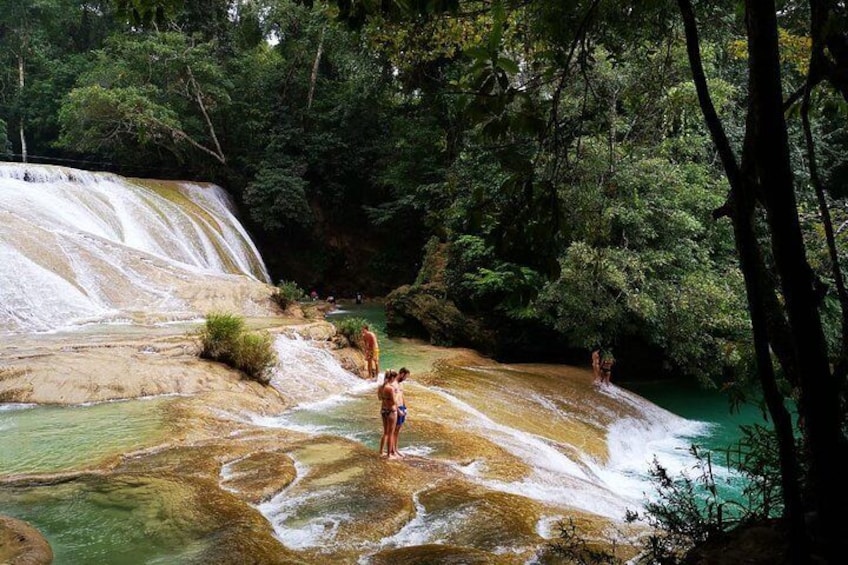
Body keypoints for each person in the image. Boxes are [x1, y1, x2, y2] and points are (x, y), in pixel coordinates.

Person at [377, 369, 400, 459]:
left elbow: (379, 398)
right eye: (394, 378)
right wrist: (397, 393)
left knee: (385, 432)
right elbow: (394, 401)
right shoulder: (390, 388)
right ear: (392, 378)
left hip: (383, 410)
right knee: (391, 433)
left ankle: (381, 452)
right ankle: (389, 455)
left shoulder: (381, 387)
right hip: (391, 411)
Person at [393, 367, 410, 457]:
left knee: (398, 431)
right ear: (402, 374)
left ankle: (396, 449)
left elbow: (402, 396)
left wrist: (405, 408)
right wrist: (398, 410)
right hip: (397, 409)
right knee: (394, 431)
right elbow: (393, 399)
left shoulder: (401, 384)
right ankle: (392, 450)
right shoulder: (394, 384)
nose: (405, 379)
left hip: (402, 407)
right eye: (405, 377)